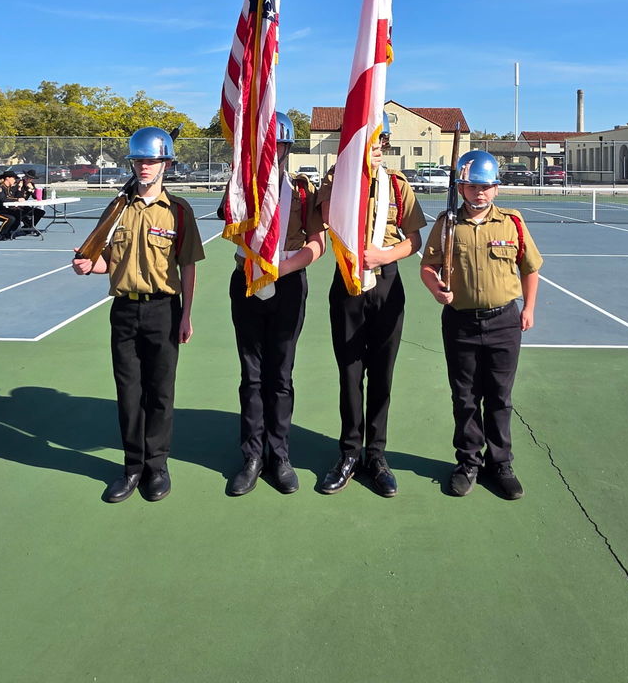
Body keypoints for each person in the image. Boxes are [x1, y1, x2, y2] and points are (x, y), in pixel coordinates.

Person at [72, 127, 204, 503]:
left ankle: (157, 466)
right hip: (125, 311)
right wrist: (88, 266)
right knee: (129, 393)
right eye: (139, 161)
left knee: (160, 392)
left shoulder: (179, 210)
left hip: (164, 309)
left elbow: (189, 266)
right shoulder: (117, 209)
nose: (144, 167)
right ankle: (133, 466)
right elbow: (107, 262)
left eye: (152, 160)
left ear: (166, 164)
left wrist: (187, 316)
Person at [419, 150, 542, 500]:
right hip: (460, 322)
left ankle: (500, 463)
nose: (480, 193)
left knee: (500, 397)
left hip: (504, 320)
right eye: (472, 186)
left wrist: (529, 308)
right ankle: (469, 462)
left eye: (486, 187)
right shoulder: (446, 224)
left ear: (496, 189)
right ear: (460, 188)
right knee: (466, 397)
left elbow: (529, 267)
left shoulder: (512, 222)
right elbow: (427, 268)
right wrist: (436, 289)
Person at [317, 114, 427, 497]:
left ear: (387, 143)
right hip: (347, 284)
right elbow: (329, 216)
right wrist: (351, 175)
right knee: (350, 374)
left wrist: (383, 256)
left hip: (386, 284)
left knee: (382, 374)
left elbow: (413, 239)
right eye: (367, 141)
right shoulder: (337, 179)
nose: (374, 148)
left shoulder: (397, 185)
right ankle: (349, 452)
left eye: (380, 141)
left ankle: (376, 455)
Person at [225, 112, 325, 496]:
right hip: (248, 281)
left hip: (287, 282)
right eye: (268, 144)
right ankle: (252, 456)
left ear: (289, 148)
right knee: (251, 375)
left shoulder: (302, 190)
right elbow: (230, 222)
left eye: (281, 144)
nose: (275, 150)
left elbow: (317, 243)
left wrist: (281, 268)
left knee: (280, 374)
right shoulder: (241, 186)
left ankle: (279, 454)